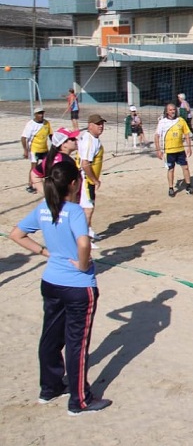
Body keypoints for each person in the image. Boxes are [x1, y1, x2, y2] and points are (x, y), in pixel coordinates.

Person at [9, 159, 113, 415]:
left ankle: (50, 387)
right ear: (74, 184)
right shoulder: (74, 210)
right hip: (77, 286)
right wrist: (82, 264)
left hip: (51, 281)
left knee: (51, 338)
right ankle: (80, 400)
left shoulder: (44, 207)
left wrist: (45, 252)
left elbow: (16, 234)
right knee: (77, 343)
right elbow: (84, 243)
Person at [155, 103, 193, 197]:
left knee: (185, 167)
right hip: (169, 151)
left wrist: (189, 147)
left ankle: (188, 186)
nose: (172, 111)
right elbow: (156, 136)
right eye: (170, 110)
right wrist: (158, 150)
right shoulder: (162, 122)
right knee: (171, 169)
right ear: (166, 111)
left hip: (180, 149)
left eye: (173, 109)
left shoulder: (181, 120)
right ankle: (171, 188)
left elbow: (186, 134)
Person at [77, 114, 105, 244]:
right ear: (90, 126)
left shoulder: (91, 138)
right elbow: (85, 164)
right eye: (98, 124)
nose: (101, 126)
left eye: (102, 124)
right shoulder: (89, 141)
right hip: (85, 179)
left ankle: (88, 231)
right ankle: (84, 239)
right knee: (87, 209)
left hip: (86, 178)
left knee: (88, 207)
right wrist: (94, 180)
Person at [21, 107, 52, 194]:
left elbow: (51, 135)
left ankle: (48, 184)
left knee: (48, 166)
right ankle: (31, 185)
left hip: (45, 149)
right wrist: (25, 150)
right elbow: (23, 138)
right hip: (34, 149)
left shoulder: (47, 123)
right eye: (39, 113)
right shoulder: (30, 124)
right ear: (35, 115)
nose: (41, 115)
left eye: (42, 113)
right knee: (34, 167)